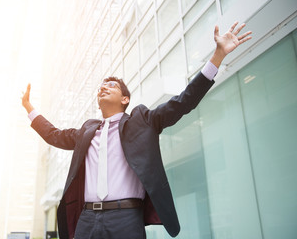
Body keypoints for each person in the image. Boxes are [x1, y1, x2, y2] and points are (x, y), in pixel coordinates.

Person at [22, 22, 252, 239]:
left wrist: (218, 56)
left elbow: (183, 102)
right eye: (101, 86)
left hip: (125, 217)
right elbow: (53, 135)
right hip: (87, 218)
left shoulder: (142, 120)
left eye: (111, 85)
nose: (103, 87)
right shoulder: (87, 131)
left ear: (125, 98)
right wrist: (29, 108)